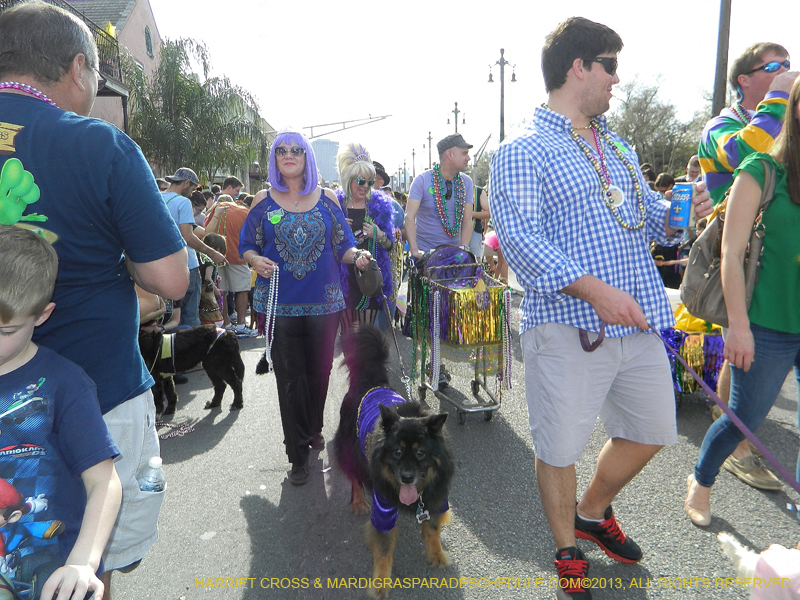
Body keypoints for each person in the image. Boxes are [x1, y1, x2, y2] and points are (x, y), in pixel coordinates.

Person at [489, 17, 713, 600]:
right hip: (568, 326)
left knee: (653, 430)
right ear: (578, 68)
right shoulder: (522, 150)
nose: (617, 78)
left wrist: (681, 212)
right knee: (559, 448)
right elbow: (521, 241)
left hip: (639, 319)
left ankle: (591, 511)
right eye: (610, 66)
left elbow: (648, 221)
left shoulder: (617, 144)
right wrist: (594, 290)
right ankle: (567, 550)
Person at [0, 3, 189, 594]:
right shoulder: (97, 144)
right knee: (85, 563)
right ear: (78, 68)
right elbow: (171, 279)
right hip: (95, 393)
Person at [685, 76, 800, 527]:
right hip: (766, 321)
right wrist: (737, 326)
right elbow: (731, 254)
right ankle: (701, 480)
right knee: (743, 419)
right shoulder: (761, 170)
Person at [239, 130, 371, 486]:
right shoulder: (263, 200)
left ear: (307, 157)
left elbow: (343, 245)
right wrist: (255, 260)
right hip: (279, 305)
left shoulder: (327, 198)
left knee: (319, 373)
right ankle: (296, 454)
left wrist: (359, 256)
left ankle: (313, 428)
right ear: (275, 159)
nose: (289, 155)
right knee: (289, 379)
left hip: (324, 305)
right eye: (281, 150)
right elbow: (247, 245)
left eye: (296, 150)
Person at [0, 226, 122, 600]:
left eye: (6, 330)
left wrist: (84, 562)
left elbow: (103, 482)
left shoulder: (64, 384)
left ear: (42, 314)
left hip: (51, 581)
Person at [699, 43, 797, 206]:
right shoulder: (717, 127)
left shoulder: (787, 120)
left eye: (786, 64)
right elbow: (743, 155)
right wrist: (778, 98)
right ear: (744, 80)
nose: (784, 72)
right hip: (734, 221)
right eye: (772, 67)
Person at [335, 143, 395, 330]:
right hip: (342, 279)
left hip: (369, 279)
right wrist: (337, 230)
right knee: (347, 335)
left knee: (365, 335)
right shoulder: (334, 204)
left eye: (370, 182)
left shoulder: (380, 205)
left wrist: (379, 235)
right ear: (348, 179)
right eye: (361, 181)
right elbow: (322, 245)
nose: (366, 187)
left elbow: (390, 246)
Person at [162, 168, 227, 328]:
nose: (191, 193)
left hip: (162, 266)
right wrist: (212, 253)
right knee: (190, 318)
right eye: (192, 189)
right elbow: (188, 236)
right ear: (186, 183)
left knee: (169, 317)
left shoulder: (156, 197)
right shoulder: (183, 202)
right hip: (187, 265)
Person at [404, 134, 474, 260]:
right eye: (464, 153)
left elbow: (468, 220)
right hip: (426, 257)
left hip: (454, 257)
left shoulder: (467, 182)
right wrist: (415, 251)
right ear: (449, 154)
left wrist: (463, 250)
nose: (468, 158)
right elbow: (409, 217)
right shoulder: (421, 181)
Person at [205, 194, 258, 337]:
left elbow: (206, 232)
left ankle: (225, 323)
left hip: (216, 255)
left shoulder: (215, 209)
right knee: (242, 290)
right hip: (238, 255)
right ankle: (241, 325)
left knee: (221, 290)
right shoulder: (244, 212)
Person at [469, 186, 490, 258]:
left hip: (474, 230)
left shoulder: (478, 191)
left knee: (475, 259)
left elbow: (488, 213)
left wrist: (471, 214)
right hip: (455, 232)